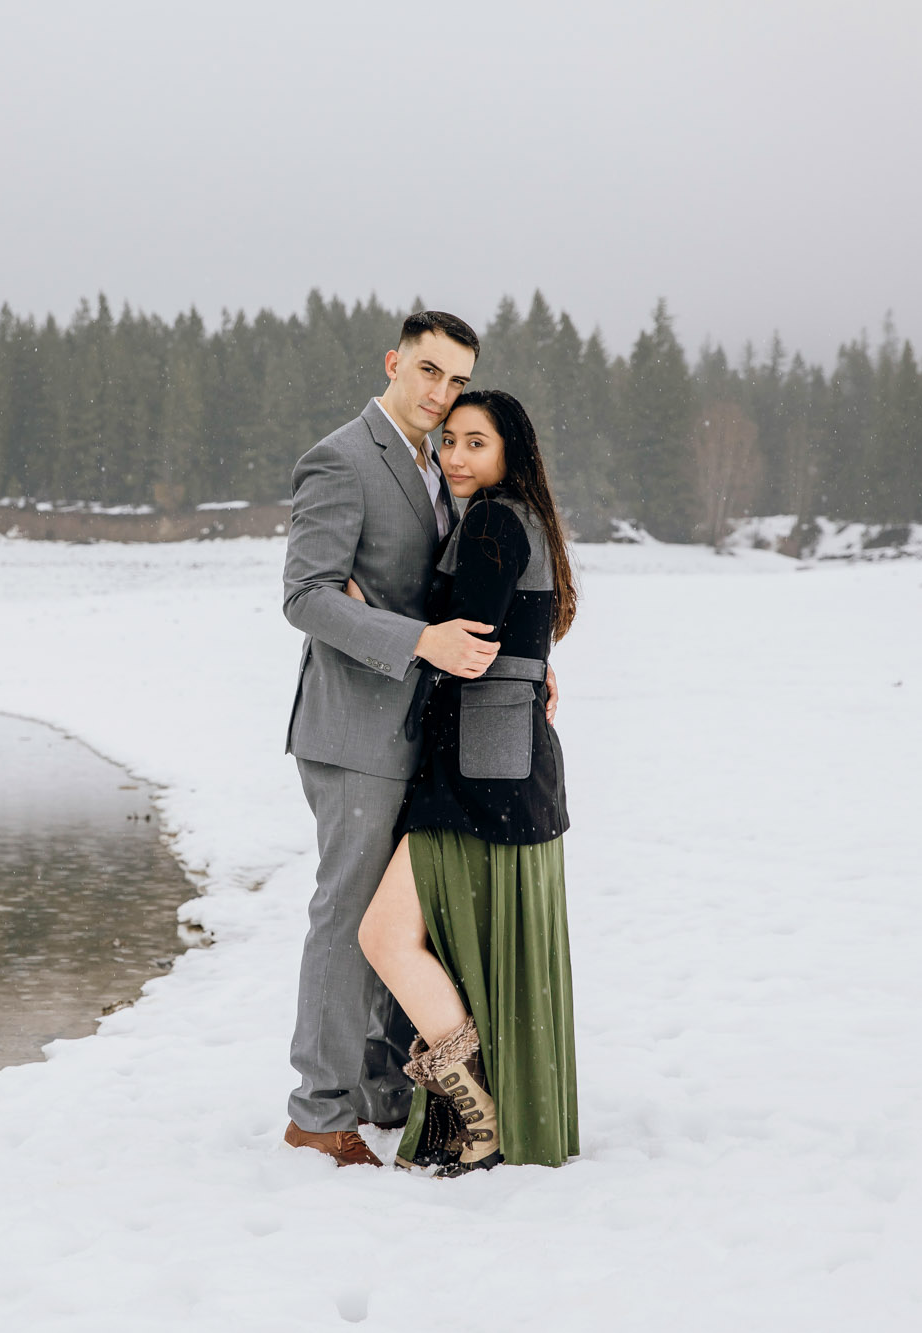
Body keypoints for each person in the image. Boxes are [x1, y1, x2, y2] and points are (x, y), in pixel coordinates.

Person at [279, 313, 557, 1168]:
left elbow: (469, 589)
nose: (439, 394)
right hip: (356, 728)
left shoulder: (441, 470)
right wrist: (412, 639)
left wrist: (522, 664)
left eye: (455, 378)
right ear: (394, 363)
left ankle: (383, 1089)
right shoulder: (343, 458)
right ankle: (319, 1109)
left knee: (402, 921)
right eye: (428, 372)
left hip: (427, 736)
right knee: (349, 917)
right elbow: (306, 596)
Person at [355, 388, 580, 1175]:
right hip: (508, 761)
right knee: (437, 939)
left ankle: (475, 1113)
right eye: (449, 441)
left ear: (509, 452)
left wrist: (374, 611)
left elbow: (470, 636)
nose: (455, 456)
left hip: (474, 771)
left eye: (475, 443)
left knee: (384, 935)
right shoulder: (526, 519)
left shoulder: (489, 519)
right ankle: (479, 1108)